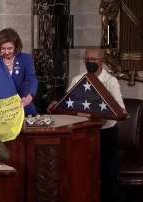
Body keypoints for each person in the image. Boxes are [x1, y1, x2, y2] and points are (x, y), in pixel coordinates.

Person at [49, 49, 125, 202]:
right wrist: (57, 105)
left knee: (107, 175)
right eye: (87, 59)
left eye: (93, 59)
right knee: (83, 172)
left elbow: (120, 109)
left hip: (106, 133)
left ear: (101, 62)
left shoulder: (111, 81)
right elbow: (69, 104)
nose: (89, 62)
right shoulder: (78, 79)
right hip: (82, 133)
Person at [0, 28, 38, 116]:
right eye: (3, 48)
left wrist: (30, 96)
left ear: (16, 46)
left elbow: (32, 79)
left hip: (23, 106)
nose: (6, 52)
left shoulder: (26, 59)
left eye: (10, 48)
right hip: (0, 111)